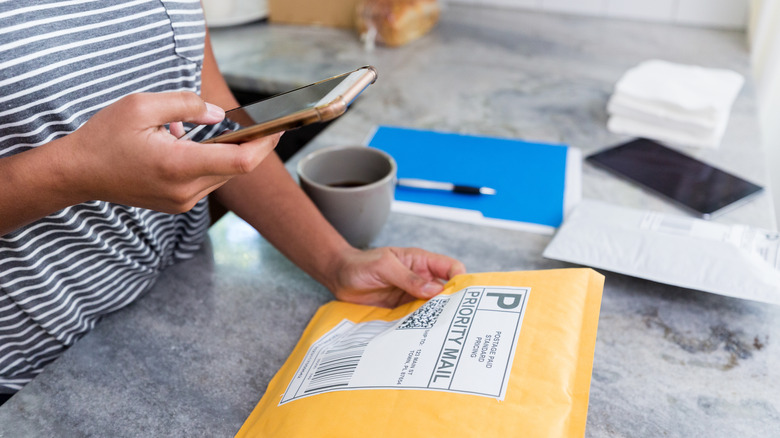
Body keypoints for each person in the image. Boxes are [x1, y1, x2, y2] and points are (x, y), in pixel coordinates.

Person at [0, 0, 465, 403]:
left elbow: (213, 116)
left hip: (178, 306)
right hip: (31, 369)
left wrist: (338, 261)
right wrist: (75, 172)